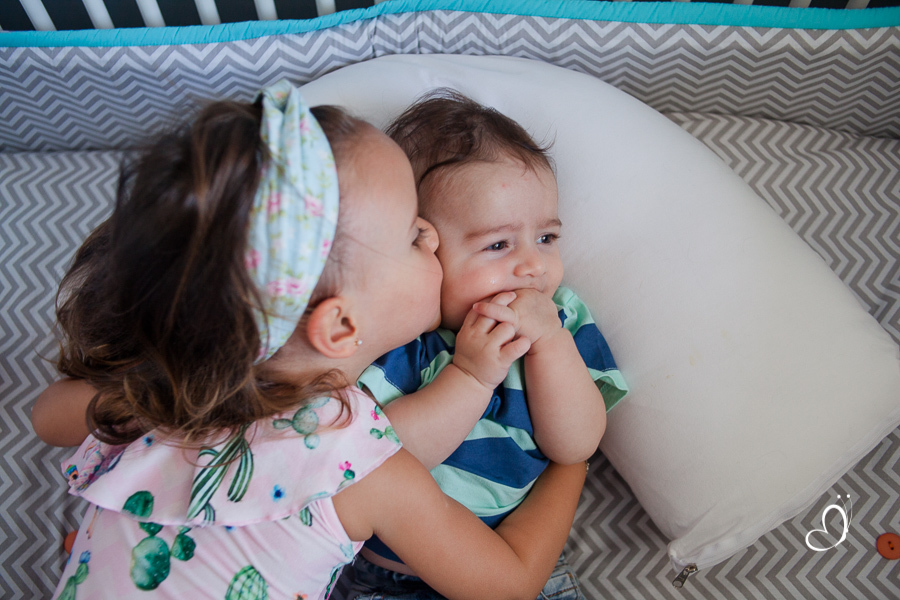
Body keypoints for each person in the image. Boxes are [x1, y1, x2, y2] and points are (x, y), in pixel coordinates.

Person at [30, 80, 587, 600]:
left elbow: (47, 416)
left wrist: (152, 391)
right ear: (341, 327)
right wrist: (572, 470)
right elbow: (508, 582)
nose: (434, 236)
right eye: (413, 234)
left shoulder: (184, 392)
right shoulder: (359, 464)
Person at [344, 90, 629, 600]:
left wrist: (551, 344)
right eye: (498, 245)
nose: (532, 266)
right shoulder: (405, 342)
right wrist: (470, 378)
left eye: (546, 238)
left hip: (526, 552)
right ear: (420, 245)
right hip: (391, 579)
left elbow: (576, 445)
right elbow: (376, 459)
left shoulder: (560, 320)